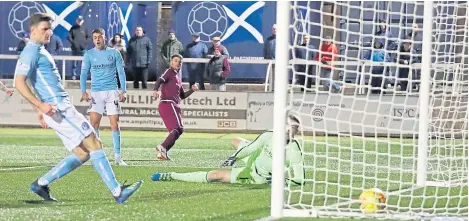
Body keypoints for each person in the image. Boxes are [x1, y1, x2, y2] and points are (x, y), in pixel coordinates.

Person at [14, 13, 142, 203]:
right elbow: (19, 82)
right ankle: (117, 192)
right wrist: (40, 105)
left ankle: (41, 183)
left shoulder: (39, 50)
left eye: (50, 28)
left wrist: (39, 109)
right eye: (44, 29)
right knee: (94, 143)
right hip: (59, 109)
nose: (49, 32)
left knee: (82, 153)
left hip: (56, 108)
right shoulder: (31, 52)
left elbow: (37, 82)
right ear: (33, 31)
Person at [151, 114, 305, 185]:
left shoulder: (294, 150)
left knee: (215, 175)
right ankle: (240, 158)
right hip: (254, 159)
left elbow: (300, 179)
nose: (290, 130)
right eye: (288, 126)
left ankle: (172, 175)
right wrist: (234, 158)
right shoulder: (269, 135)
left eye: (294, 128)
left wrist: (282, 181)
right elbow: (252, 147)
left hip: (255, 175)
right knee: (235, 140)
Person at [80, 28, 128, 166]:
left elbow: (121, 72)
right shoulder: (89, 54)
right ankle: (98, 156)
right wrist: (83, 91)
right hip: (96, 93)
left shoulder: (114, 53)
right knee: (94, 124)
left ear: (104, 38)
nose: (97, 40)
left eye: (99, 37)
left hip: (112, 91)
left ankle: (118, 157)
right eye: (95, 37)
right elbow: (83, 74)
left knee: (114, 124)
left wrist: (123, 91)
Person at [152, 54, 198, 161]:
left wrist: (192, 90)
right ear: (171, 62)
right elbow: (160, 80)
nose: (177, 63)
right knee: (177, 128)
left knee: (179, 130)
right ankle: (162, 146)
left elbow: (182, 96)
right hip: (167, 103)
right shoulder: (169, 72)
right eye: (175, 60)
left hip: (173, 105)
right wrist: (155, 90)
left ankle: (163, 152)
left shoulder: (177, 78)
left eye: (180, 62)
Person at [68, 15, 89, 80]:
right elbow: (69, 37)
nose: (79, 21)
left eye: (80, 20)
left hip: (83, 50)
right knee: (74, 64)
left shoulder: (85, 28)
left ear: (83, 21)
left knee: (84, 64)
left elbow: (89, 37)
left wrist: (84, 43)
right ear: (76, 20)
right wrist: (74, 44)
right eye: (78, 20)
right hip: (75, 49)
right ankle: (73, 76)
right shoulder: (72, 28)